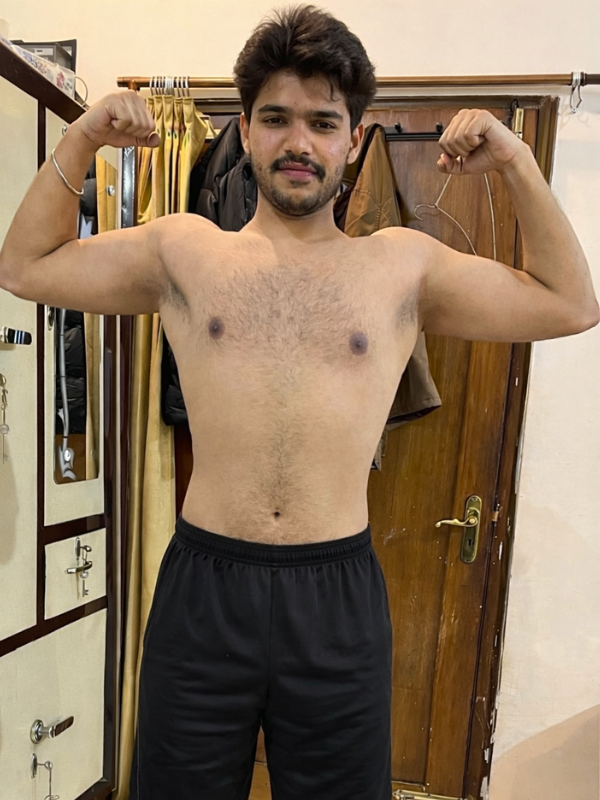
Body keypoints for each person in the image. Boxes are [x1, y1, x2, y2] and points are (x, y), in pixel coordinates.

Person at [0, 6, 598, 799]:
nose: (299, 142)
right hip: (205, 592)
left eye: (323, 123)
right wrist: (81, 137)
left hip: (336, 598)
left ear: (354, 140)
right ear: (245, 131)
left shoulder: (403, 266)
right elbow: (25, 265)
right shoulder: (183, 250)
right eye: (277, 118)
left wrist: (516, 160)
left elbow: (569, 303)